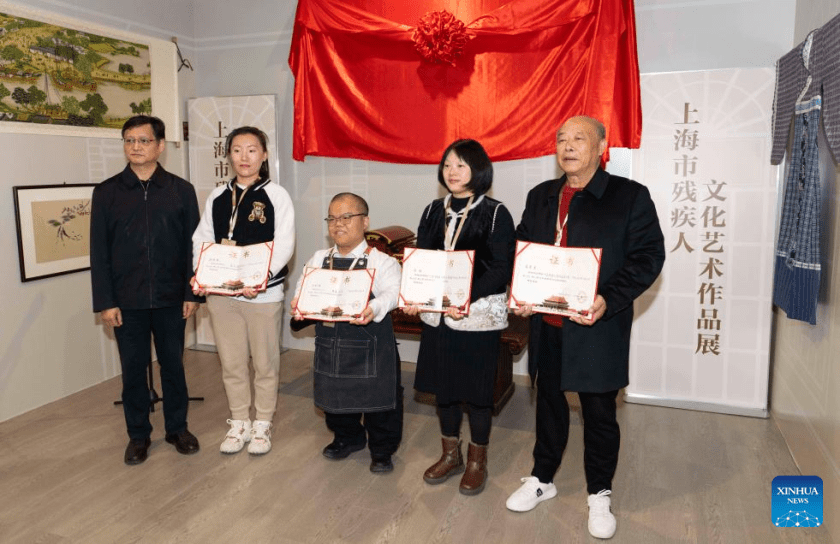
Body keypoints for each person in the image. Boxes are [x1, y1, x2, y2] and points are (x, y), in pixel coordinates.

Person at [505, 116, 665, 539]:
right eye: (561, 138)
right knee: (549, 403)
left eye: (579, 138)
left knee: (598, 411)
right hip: (548, 324)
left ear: (601, 146)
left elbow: (648, 257)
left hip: (597, 324)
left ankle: (599, 492)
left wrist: (608, 299)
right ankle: (543, 478)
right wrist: (519, 292)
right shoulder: (541, 196)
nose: (568, 145)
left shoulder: (629, 196)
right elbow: (523, 250)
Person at [404, 139, 515, 496]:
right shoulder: (432, 210)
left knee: (477, 394)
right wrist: (414, 295)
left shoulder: (497, 213)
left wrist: (466, 296)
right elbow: (422, 259)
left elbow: (501, 268)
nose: (452, 172)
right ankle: (450, 454)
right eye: (448, 164)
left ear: (478, 170)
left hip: (476, 317)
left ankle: (477, 461)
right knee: (445, 392)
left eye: (462, 165)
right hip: (438, 317)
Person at [90, 115, 202, 465]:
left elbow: (193, 246)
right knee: (133, 371)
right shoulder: (107, 192)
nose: (135, 147)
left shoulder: (180, 190)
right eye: (129, 140)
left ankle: (177, 429)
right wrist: (106, 302)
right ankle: (138, 436)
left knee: (174, 367)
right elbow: (99, 252)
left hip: (172, 299)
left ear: (159, 145)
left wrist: (193, 292)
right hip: (127, 302)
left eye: (143, 140)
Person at [192, 126, 295, 455]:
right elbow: (202, 240)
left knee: (265, 363)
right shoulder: (217, 196)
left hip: (262, 295)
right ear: (229, 156)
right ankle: (239, 422)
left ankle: (262, 423)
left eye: (252, 150)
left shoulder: (276, 195)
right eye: (237, 150)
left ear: (264, 155)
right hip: (222, 296)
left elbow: (285, 245)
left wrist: (258, 279)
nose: (244, 157)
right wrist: (205, 274)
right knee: (232, 362)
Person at [291, 193, 403, 473]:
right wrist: (299, 303)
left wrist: (374, 307)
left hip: (372, 346)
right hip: (331, 344)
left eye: (346, 217)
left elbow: (394, 293)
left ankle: (381, 450)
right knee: (334, 399)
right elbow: (302, 290)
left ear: (364, 221)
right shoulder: (319, 258)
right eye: (331, 218)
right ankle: (348, 439)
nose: (337, 224)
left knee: (380, 404)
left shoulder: (382, 261)